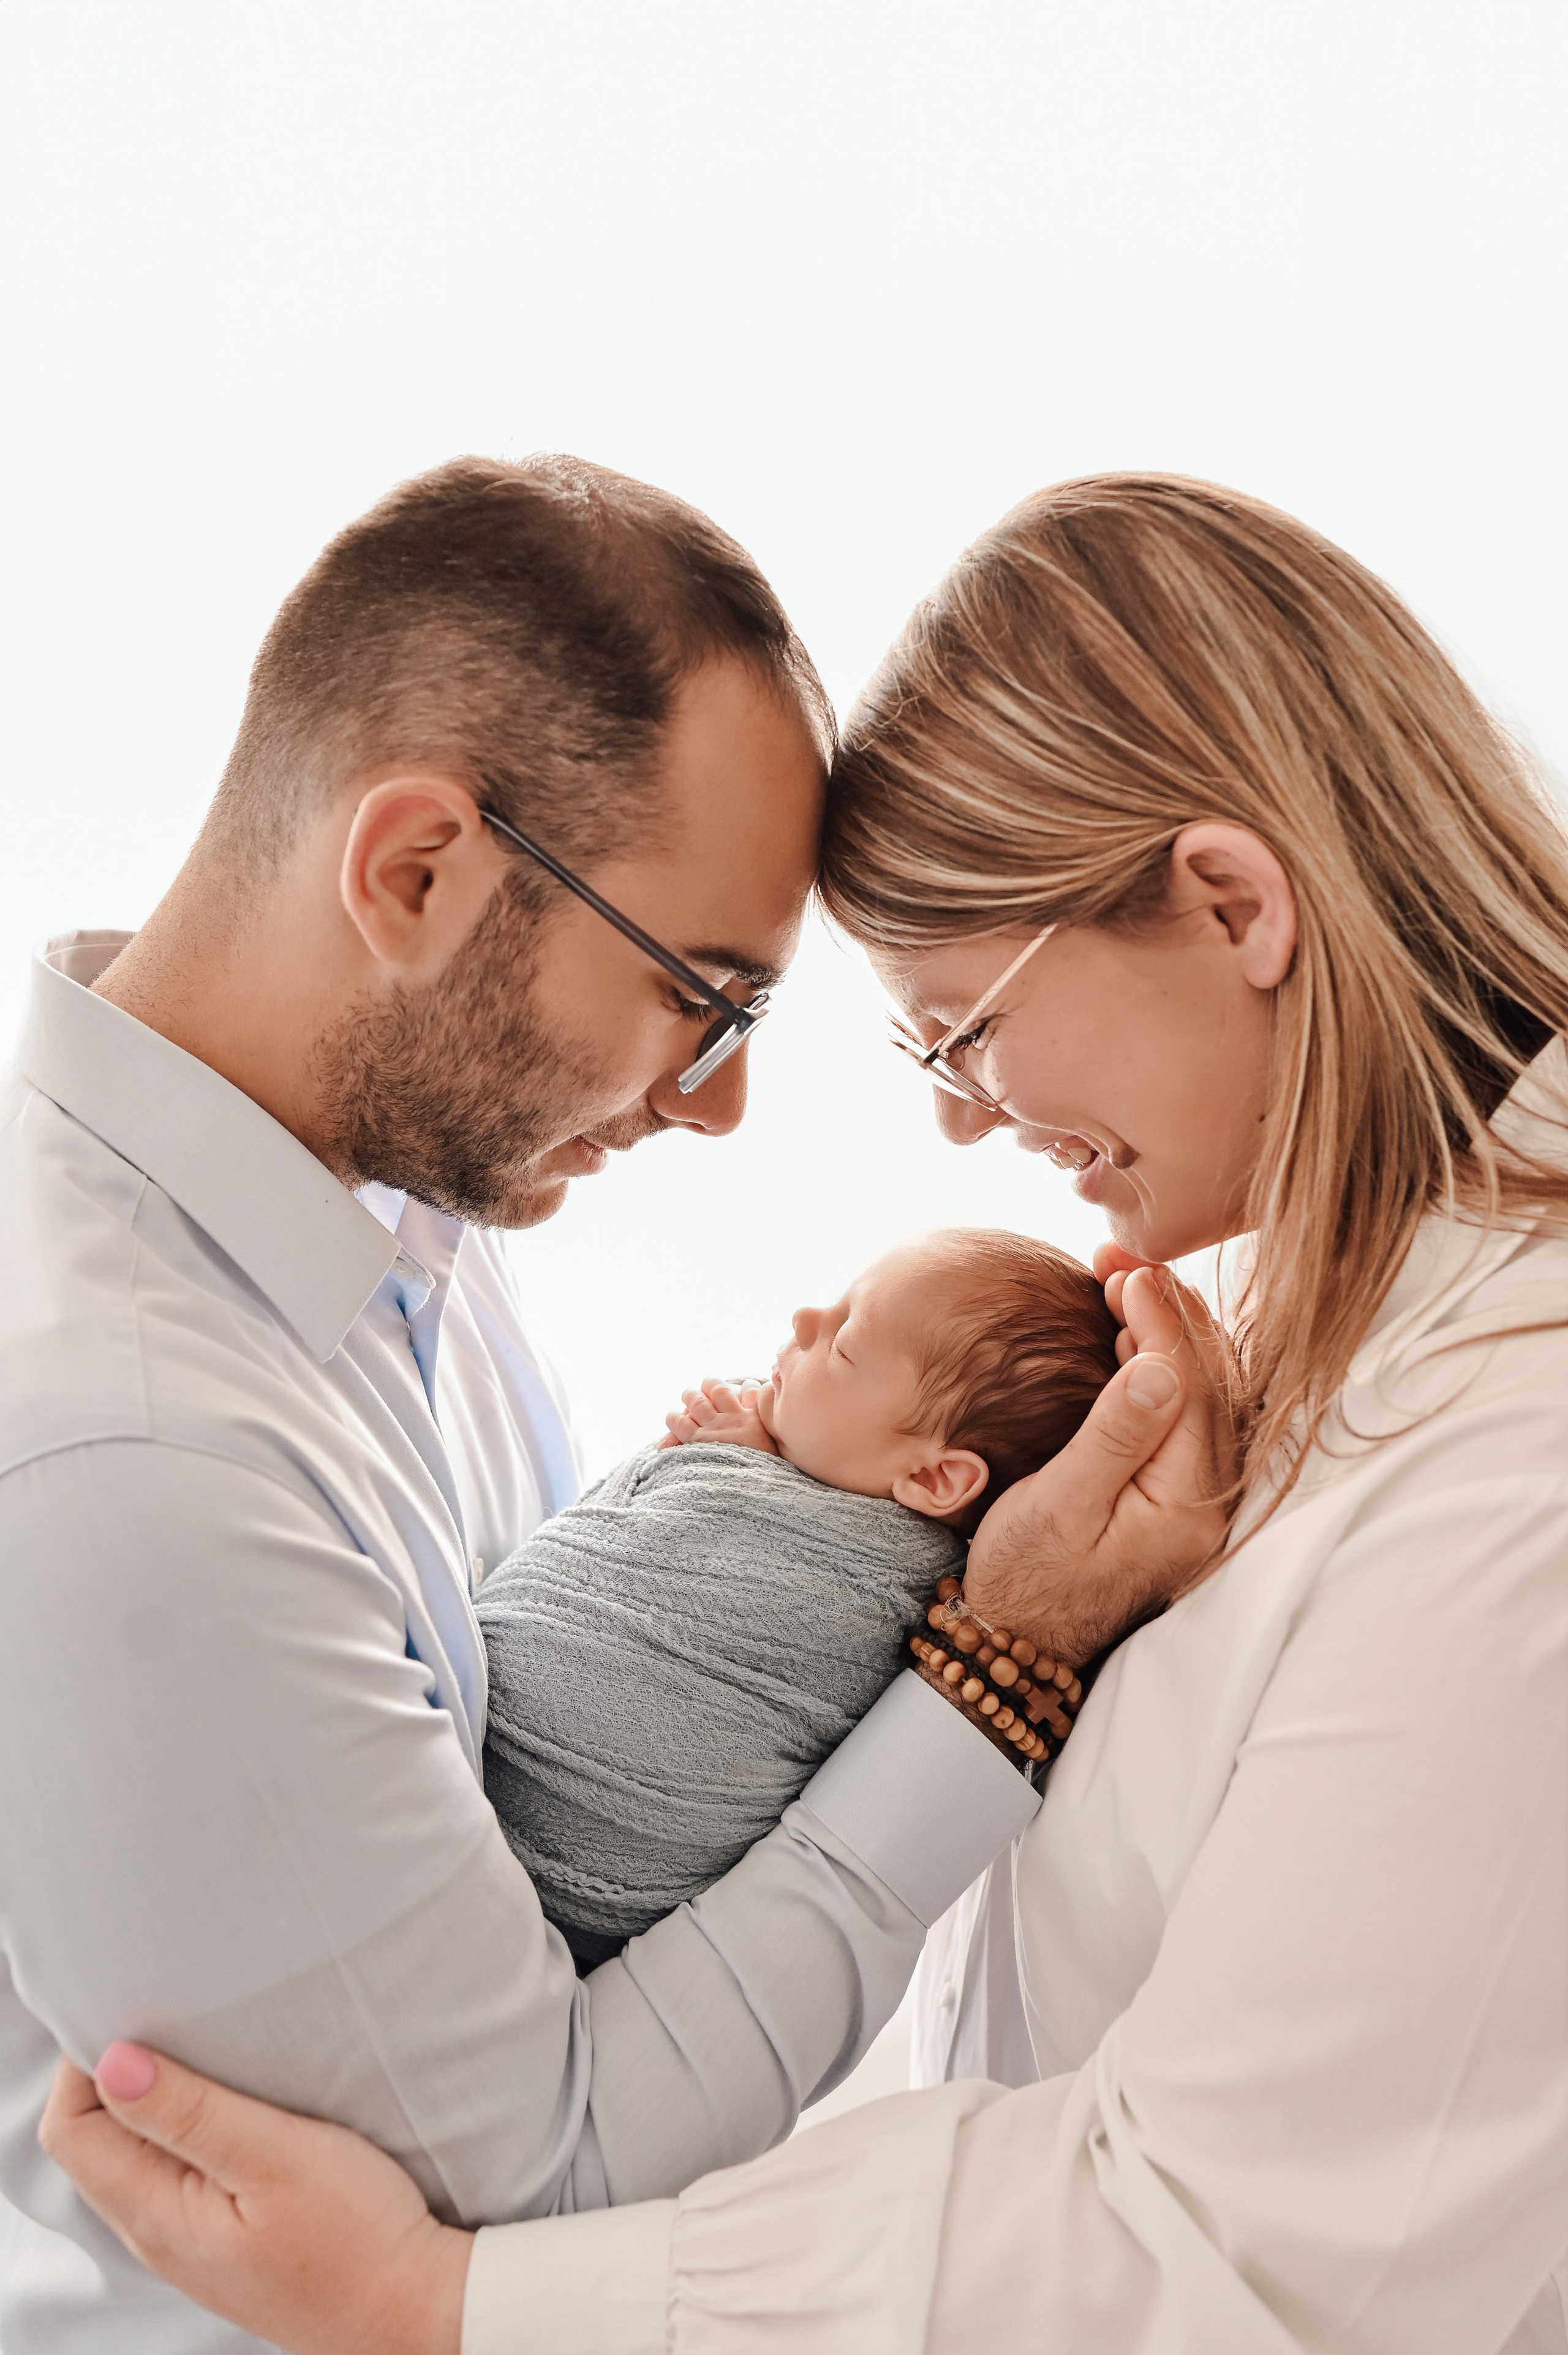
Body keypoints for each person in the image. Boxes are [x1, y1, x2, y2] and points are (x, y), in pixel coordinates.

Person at [45, 472, 1568, 2355]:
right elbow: (540, 2123)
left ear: (1235, 905)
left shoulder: (1494, 1441)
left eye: (961, 1030)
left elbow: (1242, 2246)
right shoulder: (129, 1436)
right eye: (701, 995)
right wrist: (984, 1668)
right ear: (415, 874)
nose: (943, 1121)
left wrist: (454, 2304)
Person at [480, 1231, 1114, 1965]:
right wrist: (746, 1455)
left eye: (843, 1345)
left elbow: (713, 1558)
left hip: (587, 1881)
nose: (805, 1319)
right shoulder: (794, 1471)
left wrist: (717, 1462)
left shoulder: (888, 1590)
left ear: (936, 1481)